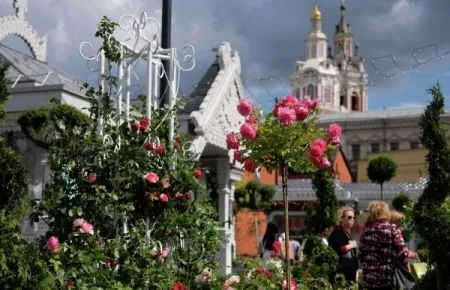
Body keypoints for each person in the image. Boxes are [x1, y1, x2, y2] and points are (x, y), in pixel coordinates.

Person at [359, 201, 417, 290]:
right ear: (386, 212)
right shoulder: (392, 229)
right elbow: (402, 254)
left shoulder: (366, 231)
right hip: (387, 278)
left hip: (370, 279)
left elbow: (361, 255)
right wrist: (407, 270)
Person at [328, 205, 359, 282]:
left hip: (349, 272)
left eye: (353, 218)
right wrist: (352, 245)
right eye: (349, 217)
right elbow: (339, 249)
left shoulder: (346, 233)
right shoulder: (337, 232)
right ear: (341, 218)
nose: (352, 220)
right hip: (342, 274)